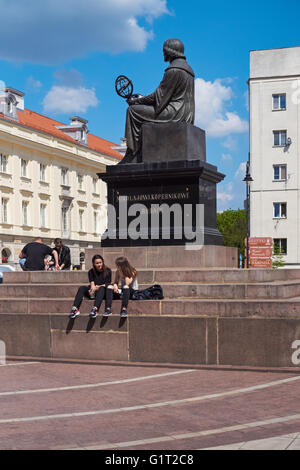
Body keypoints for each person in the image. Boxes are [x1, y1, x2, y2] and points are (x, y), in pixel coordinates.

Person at [122, 38, 195, 164]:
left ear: (170, 51)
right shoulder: (188, 70)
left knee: (132, 111)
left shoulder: (173, 70)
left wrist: (136, 102)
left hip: (173, 113)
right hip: (186, 113)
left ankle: (133, 154)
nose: (163, 54)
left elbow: (158, 97)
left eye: (164, 51)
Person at [69, 254, 112, 319]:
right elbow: (92, 283)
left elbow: (108, 284)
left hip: (103, 292)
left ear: (103, 262)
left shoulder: (108, 271)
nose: (99, 264)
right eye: (97, 263)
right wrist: (92, 289)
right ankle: (75, 309)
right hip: (94, 291)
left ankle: (95, 309)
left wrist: (98, 286)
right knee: (82, 288)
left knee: (102, 288)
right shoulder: (91, 272)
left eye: (100, 262)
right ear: (94, 264)